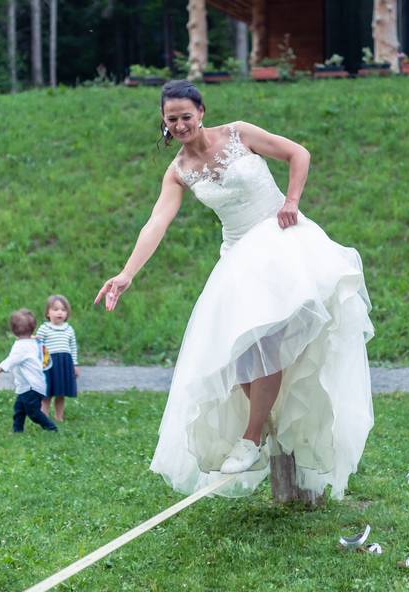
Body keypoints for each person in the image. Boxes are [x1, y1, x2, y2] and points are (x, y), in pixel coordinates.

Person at [95, 80, 374, 499]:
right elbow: (156, 223)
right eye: (172, 119)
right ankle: (262, 428)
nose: (181, 124)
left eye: (187, 116)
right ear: (165, 122)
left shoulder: (240, 134)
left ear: (201, 112)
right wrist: (126, 273)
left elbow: (299, 153)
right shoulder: (178, 171)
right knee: (240, 351)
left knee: (268, 341)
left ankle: (251, 436)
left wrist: (292, 200)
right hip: (239, 256)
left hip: (281, 239)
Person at [0, 309, 58, 433]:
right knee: (19, 409)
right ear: (33, 329)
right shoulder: (33, 342)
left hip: (31, 387)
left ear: (13, 331)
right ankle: (17, 430)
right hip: (30, 385)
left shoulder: (21, 347)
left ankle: (51, 427)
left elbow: (11, 360)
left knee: (33, 412)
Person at [36, 294, 80, 421]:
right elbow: (38, 346)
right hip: (48, 364)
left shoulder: (69, 329)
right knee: (47, 393)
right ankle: (43, 417)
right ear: (48, 313)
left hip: (64, 364)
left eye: (63, 309)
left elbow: (73, 348)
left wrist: (75, 365)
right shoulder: (44, 329)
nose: (59, 312)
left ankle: (59, 417)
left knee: (61, 393)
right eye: (55, 309)